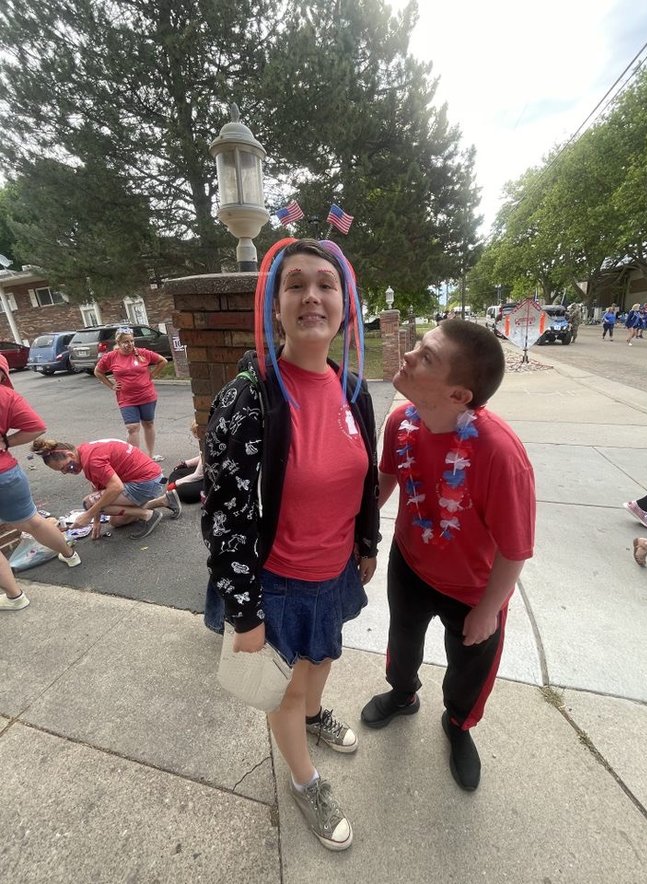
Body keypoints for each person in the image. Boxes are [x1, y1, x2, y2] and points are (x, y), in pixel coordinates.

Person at [202, 238, 379, 851]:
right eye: (295, 284)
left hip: (334, 572)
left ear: (346, 304)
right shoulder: (249, 399)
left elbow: (367, 475)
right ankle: (306, 782)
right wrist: (244, 613)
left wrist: (368, 540)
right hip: (275, 580)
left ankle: (312, 721)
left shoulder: (355, 390)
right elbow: (225, 515)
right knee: (290, 683)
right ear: (274, 306)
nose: (312, 296)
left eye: (326, 284)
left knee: (323, 659)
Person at [360, 320, 535, 792]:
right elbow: (388, 480)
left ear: (459, 395)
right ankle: (403, 694)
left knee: (468, 669)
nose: (410, 356)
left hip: (474, 588)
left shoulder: (500, 454)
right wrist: (355, 530)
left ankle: (457, 727)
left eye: (427, 357)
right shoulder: (402, 421)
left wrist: (487, 610)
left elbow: (515, 550)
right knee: (403, 639)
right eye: (419, 346)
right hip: (412, 563)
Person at [0, 354, 81, 611]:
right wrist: (6, 443)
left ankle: (15, 597)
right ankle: (70, 555)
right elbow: (36, 427)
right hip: (7, 474)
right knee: (33, 521)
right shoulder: (6, 396)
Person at [32, 436, 181, 539]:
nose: (66, 472)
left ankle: (148, 515)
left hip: (146, 483)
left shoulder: (92, 460)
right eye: (62, 471)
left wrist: (88, 514)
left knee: (88, 503)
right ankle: (164, 501)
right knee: (116, 522)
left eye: (66, 467)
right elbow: (98, 488)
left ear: (69, 454)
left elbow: (115, 488)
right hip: (151, 478)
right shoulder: (85, 451)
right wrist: (96, 522)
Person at [94, 327, 168, 461]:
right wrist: (111, 385)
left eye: (132, 341)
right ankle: (135, 459)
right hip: (126, 399)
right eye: (125, 342)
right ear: (118, 342)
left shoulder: (142, 353)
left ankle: (150, 456)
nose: (130, 344)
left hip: (147, 396)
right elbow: (98, 371)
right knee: (132, 427)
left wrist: (151, 376)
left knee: (148, 423)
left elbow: (163, 361)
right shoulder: (111, 357)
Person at [166, 420, 204, 505]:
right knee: (176, 473)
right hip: (204, 471)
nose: (197, 439)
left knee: (185, 492)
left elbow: (199, 475)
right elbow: (202, 457)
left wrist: (175, 483)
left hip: (213, 476)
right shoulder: (204, 441)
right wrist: (185, 464)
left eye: (197, 437)